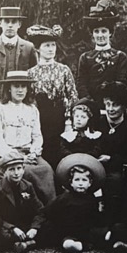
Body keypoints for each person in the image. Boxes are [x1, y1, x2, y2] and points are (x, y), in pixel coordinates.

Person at [0, 71, 56, 205]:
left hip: (29, 153)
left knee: (47, 169)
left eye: (23, 86)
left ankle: (50, 208)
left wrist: (33, 153)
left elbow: (37, 136)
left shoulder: (32, 109)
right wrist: (19, 157)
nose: (20, 90)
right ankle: (32, 209)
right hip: (5, 154)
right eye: (16, 86)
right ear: (9, 88)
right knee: (28, 172)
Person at [26, 25, 78, 168]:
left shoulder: (64, 70)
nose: (51, 49)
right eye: (47, 45)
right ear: (38, 48)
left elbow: (72, 96)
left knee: (60, 152)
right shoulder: (31, 73)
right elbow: (29, 100)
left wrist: (68, 121)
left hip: (60, 118)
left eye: (53, 45)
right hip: (40, 119)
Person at [37, 154, 107, 252]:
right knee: (66, 241)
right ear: (71, 182)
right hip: (68, 230)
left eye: (84, 180)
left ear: (90, 183)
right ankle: (75, 245)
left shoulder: (91, 199)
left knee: (103, 234)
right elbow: (49, 211)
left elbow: (95, 218)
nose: (80, 183)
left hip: (86, 230)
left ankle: (87, 244)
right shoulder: (64, 198)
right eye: (77, 180)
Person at [95, 81, 127, 224]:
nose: (110, 109)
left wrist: (111, 158)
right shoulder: (98, 122)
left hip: (116, 167)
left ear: (124, 106)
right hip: (95, 164)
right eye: (107, 104)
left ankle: (111, 223)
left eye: (115, 105)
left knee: (114, 181)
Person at [0, 152, 44, 253]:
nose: (16, 173)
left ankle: (23, 243)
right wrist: (12, 228)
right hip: (7, 228)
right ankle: (27, 243)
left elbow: (40, 210)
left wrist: (34, 228)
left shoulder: (28, 186)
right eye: (11, 169)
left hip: (24, 226)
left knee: (48, 226)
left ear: (23, 169)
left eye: (19, 168)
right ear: (4, 172)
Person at [77, 0, 127, 99]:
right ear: (92, 34)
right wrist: (90, 103)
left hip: (114, 104)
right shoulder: (86, 57)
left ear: (110, 33)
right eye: (96, 31)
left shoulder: (120, 56)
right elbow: (81, 84)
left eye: (104, 31)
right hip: (91, 106)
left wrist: (111, 103)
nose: (100, 35)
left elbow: (121, 82)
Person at [0, 6, 37, 82]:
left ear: (19, 24)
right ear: (0, 23)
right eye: (6, 21)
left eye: (14, 22)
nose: (10, 25)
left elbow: (33, 75)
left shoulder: (29, 47)